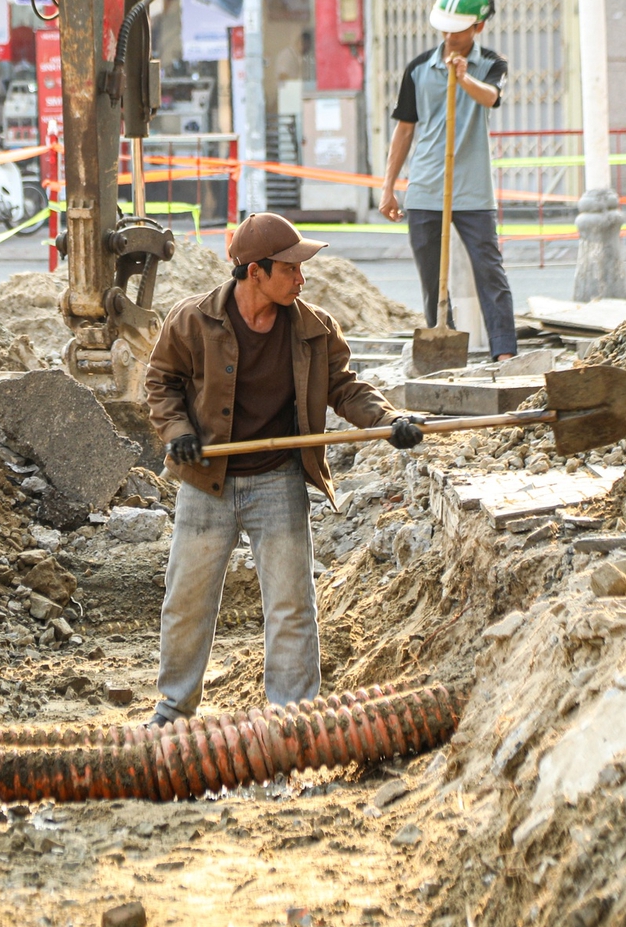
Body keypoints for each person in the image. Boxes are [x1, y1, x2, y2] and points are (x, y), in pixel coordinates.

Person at [142, 213, 424, 725]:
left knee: (292, 606)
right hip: (208, 480)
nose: (302, 278)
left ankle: (294, 720)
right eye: (291, 269)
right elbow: (160, 380)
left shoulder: (313, 328)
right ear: (255, 273)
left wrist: (389, 419)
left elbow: (345, 388)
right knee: (187, 601)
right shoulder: (192, 319)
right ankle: (173, 710)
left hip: (277, 479)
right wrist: (178, 433)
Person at [378, 0, 518, 361]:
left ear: (478, 27)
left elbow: (491, 98)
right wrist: (389, 187)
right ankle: (444, 348)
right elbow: (404, 128)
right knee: (431, 279)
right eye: (445, 28)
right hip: (425, 188)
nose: (449, 36)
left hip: (473, 190)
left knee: (490, 272)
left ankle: (503, 352)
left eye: (457, 29)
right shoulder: (418, 69)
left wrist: (464, 77)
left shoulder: (493, 64)